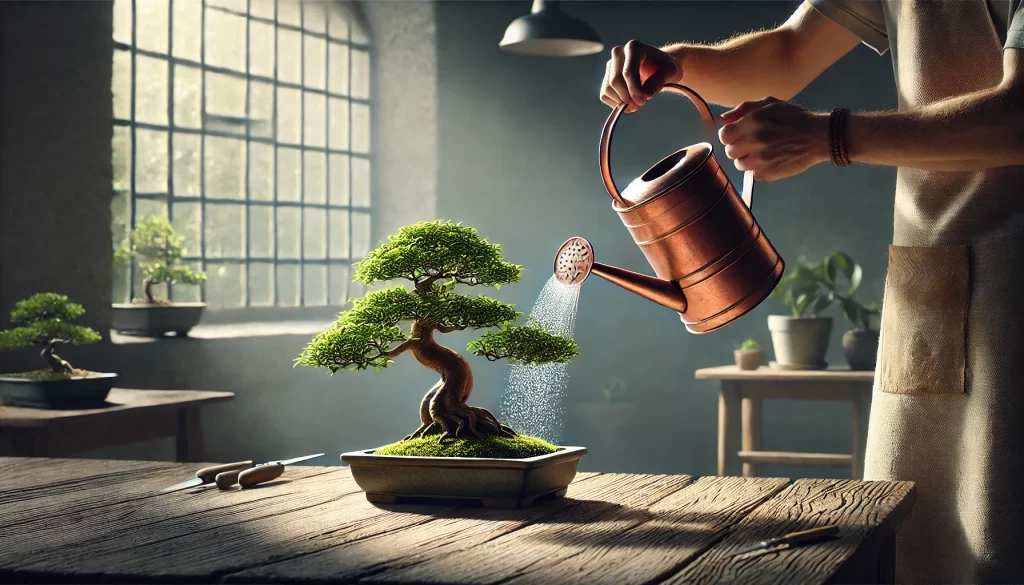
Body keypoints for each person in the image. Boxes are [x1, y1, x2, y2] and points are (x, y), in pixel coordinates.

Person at [601, 1, 1024, 583]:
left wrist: (831, 136)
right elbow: (789, 51)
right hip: (933, 278)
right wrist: (677, 66)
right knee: (914, 543)